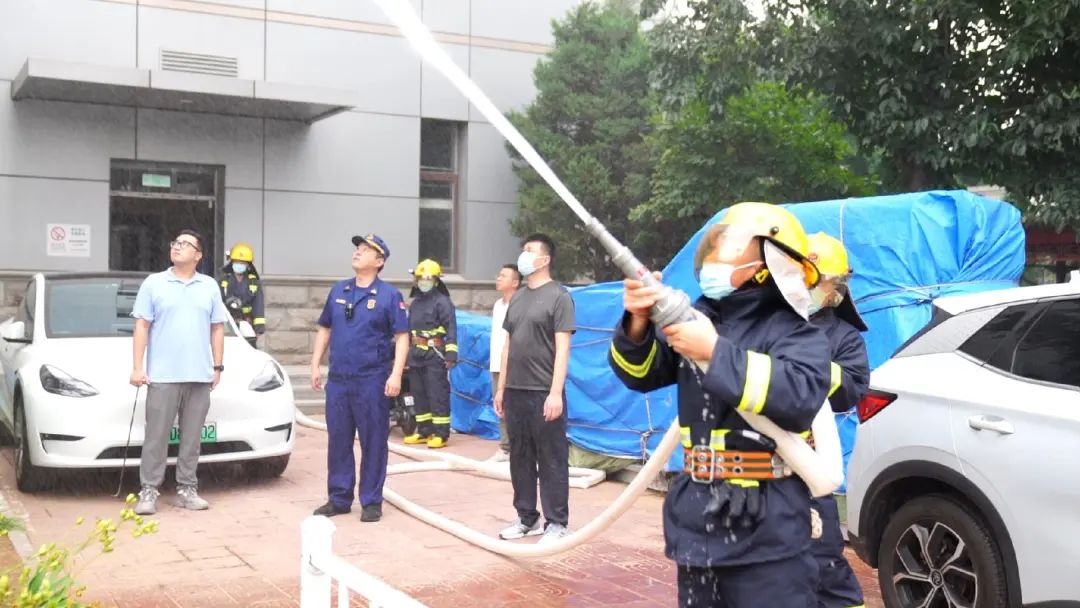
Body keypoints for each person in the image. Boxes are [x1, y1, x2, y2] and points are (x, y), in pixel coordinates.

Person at [609, 202, 832, 607]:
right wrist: (637, 324)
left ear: (768, 264)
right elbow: (638, 375)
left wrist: (715, 353)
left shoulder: (796, 333)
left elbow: (799, 396)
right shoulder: (696, 319)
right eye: (712, 246)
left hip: (768, 526)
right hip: (698, 518)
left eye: (727, 247)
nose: (712, 257)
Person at [310, 233, 409, 523]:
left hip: (372, 379)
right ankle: (339, 498)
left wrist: (396, 374)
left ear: (379, 261)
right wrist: (315, 364)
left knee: (373, 441)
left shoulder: (389, 296)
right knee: (338, 440)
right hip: (339, 379)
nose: (357, 252)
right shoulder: (339, 290)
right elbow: (325, 328)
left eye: (366, 250)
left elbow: (402, 336)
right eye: (357, 248)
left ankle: (371, 501)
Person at [130, 229, 229, 516]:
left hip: (199, 375)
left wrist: (217, 366)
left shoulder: (209, 286)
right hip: (163, 376)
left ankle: (187, 488)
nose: (177, 247)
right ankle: (149, 490)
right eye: (175, 243)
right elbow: (142, 326)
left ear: (198, 255)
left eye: (185, 244)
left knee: (192, 438)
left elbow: (217, 328)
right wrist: (137, 367)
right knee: (156, 437)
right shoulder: (154, 283)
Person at [494, 234, 575, 544]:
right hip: (515, 390)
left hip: (543, 391)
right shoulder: (518, 298)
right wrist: (502, 388)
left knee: (551, 458)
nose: (523, 256)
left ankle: (557, 522)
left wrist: (555, 393)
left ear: (544, 259)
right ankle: (527, 517)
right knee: (520, 457)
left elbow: (563, 348)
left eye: (529, 251)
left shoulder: (559, 297)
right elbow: (508, 345)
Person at [806, 232, 870, 608]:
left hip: (809, 467)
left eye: (823, 283)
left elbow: (852, 388)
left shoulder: (843, 337)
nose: (814, 290)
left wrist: (806, 367)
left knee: (825, 566)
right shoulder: (764, 322)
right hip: (755, 469)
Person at [402, 259, 458, 449]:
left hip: (435, 354)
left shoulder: (443, 302)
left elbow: (451, 328)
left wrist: (451, 354)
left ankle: (441, 433)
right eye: (420, 278)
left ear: (435, 280)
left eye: (427, 279)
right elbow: (409, 331)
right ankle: (424, 430)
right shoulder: (416, 303)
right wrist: (405, 355)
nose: (423, 282)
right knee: (419, 393)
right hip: (416, 354)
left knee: (437, 394)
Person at [488, 263, 522, 462]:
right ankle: (505, 447)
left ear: (515, 282)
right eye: (498, 275)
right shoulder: (497, 305)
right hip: (496, 363)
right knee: (500, 406)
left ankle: (520, 447)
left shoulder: (520, 304)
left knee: (516, 406)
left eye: (503, 276)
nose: (498, 278)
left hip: (516, 364)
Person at [219, 242, 266, 347]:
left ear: (248, 265)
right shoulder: (223, 281)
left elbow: (258, 306)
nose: (239, 265)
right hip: (228, 324)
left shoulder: (254, 283)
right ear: (232, 263)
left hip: (247, 322)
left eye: (242, 263)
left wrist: (259, 329)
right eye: (237, 262)